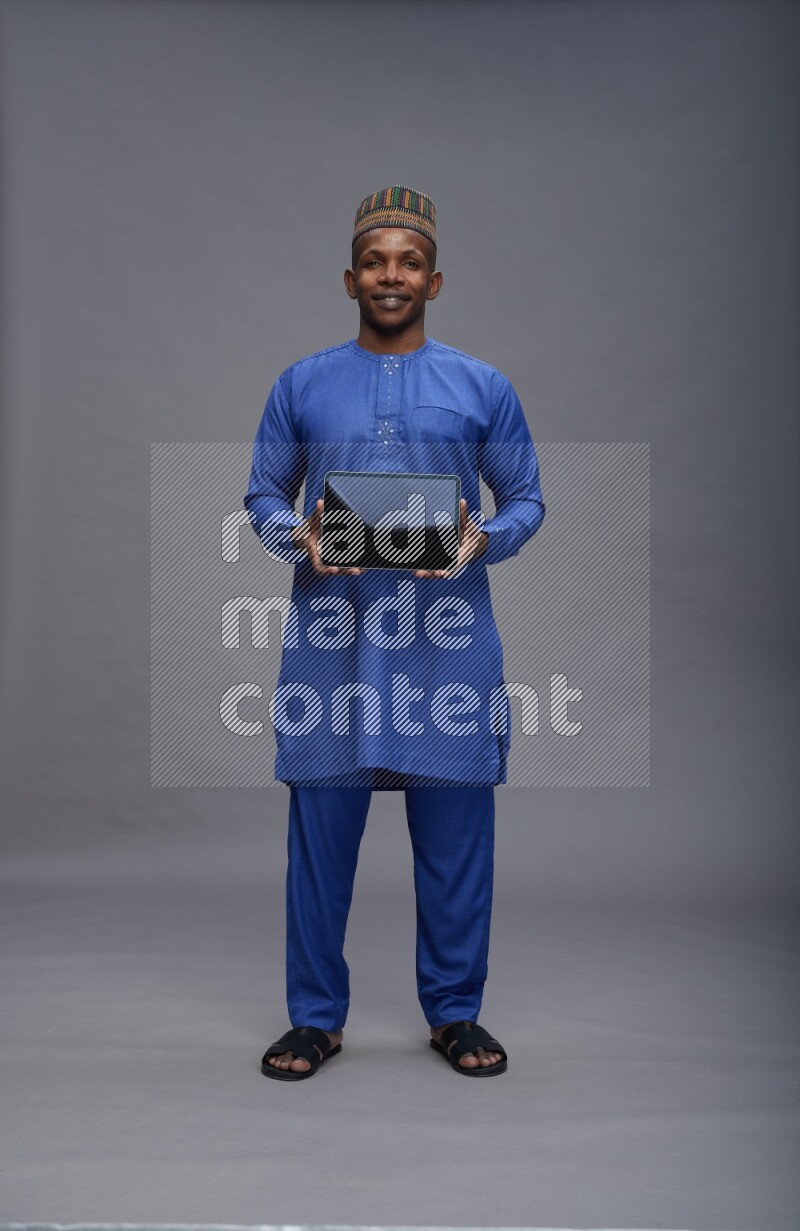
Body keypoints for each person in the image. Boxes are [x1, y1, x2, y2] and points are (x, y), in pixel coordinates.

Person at [244, 185, 545, 1080]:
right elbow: (261, 492)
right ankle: (314, 1018)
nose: (391, 274)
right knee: (319, 839)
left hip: (445, 645)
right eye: (375, 260)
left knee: (456, 838)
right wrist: (290, 534)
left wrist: (481, 541)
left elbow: (526, 497)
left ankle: (455, 1013)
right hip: (330, 644)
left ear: (435, 279)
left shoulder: (482, 385)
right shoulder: (300, 383)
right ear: (350, 277)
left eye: (408, 261)